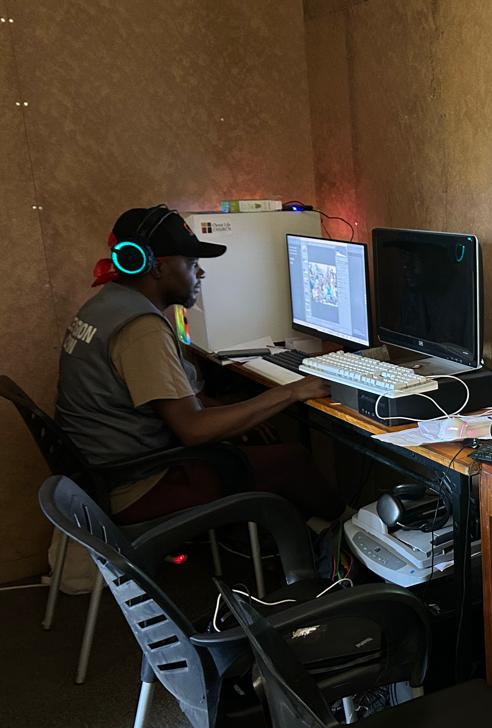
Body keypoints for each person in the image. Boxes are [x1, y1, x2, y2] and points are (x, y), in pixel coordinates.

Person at [55, 204, 344, 525]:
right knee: (292, 459)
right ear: (158, 268)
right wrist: (292, 392)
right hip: (139, 485)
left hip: (103, 474)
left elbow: (169, 399)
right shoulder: (141, 328)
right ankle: (343, 538)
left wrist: (236, 411)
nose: (201, 273)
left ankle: (293, 537)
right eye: (192, 264)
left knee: (259, 435)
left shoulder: (105, 305)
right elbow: (193, 430)